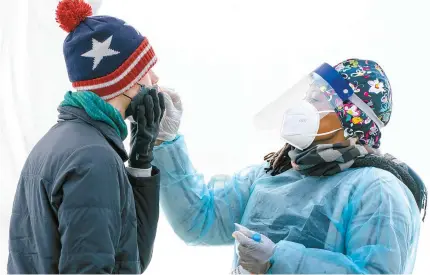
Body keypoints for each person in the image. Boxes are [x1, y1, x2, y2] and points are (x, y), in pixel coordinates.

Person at [152, 59, 427, 274]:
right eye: (307, 96)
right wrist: (165, 142)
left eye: (317, 99)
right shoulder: (274, 173)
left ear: (352, 116)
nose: (304, 106)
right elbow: (198, 220)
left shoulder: (378, 190)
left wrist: (279, 261)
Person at [7, 0, 166, 273]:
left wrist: (141, 160)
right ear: (128, 82)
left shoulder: (60, 143)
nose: (156, 78)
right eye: (147, 70)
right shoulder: (94, 159)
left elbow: (130, 258)